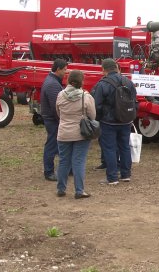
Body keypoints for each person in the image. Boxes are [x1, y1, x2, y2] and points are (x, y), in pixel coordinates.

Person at [93, 58, 137, 185]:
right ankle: (126, 174)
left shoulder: (102, 84)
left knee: (110, 149)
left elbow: (97, 105)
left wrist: (99, 119)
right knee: (124, 147)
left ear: (104, 70)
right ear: (116, 68)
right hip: (125, 120)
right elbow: (134, 100)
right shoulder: (128, 82)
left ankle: (112, 177)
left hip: (109, 122)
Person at [56, 70, 95, 199]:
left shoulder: (60, 95)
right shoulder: (86, 96)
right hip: (81, 133)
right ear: (81, 81)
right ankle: (79, 190)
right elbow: (92, 115)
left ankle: (61, 188)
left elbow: (58, 112)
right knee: (78, 161)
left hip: (63, 132)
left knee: (63, 161)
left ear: (68, 80)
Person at [40, 58, 67, 181]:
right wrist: (62, 120)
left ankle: (65, 169)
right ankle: (49, 172)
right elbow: (56, 106)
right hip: (52, 120)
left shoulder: (52, 81)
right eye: (64, 69)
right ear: (58, 69)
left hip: (51, 119)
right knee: (52, 145)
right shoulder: (52, 84)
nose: (66, 72)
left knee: (55, 144)